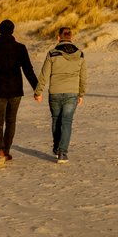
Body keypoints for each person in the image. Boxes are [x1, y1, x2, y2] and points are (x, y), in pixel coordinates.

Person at [0, 19, 38, 168]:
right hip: (15, 90)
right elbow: (28, 70)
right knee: (11, 121)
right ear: (12, 31)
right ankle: (6, 150)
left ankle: (0, 152)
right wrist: (37, 88)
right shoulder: (20, 48)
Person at [34, 26, 86, 163]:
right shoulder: (80, 54)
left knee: (56, 120)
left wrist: (38, 92)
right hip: (72, 93)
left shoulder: (52, 53)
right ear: (72, 38)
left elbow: (44, 74)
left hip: (55, 93)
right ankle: (62, 153)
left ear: (58, 37)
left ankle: (57, 149)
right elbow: (83, 77)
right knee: (67, 122)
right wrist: (81, 94)